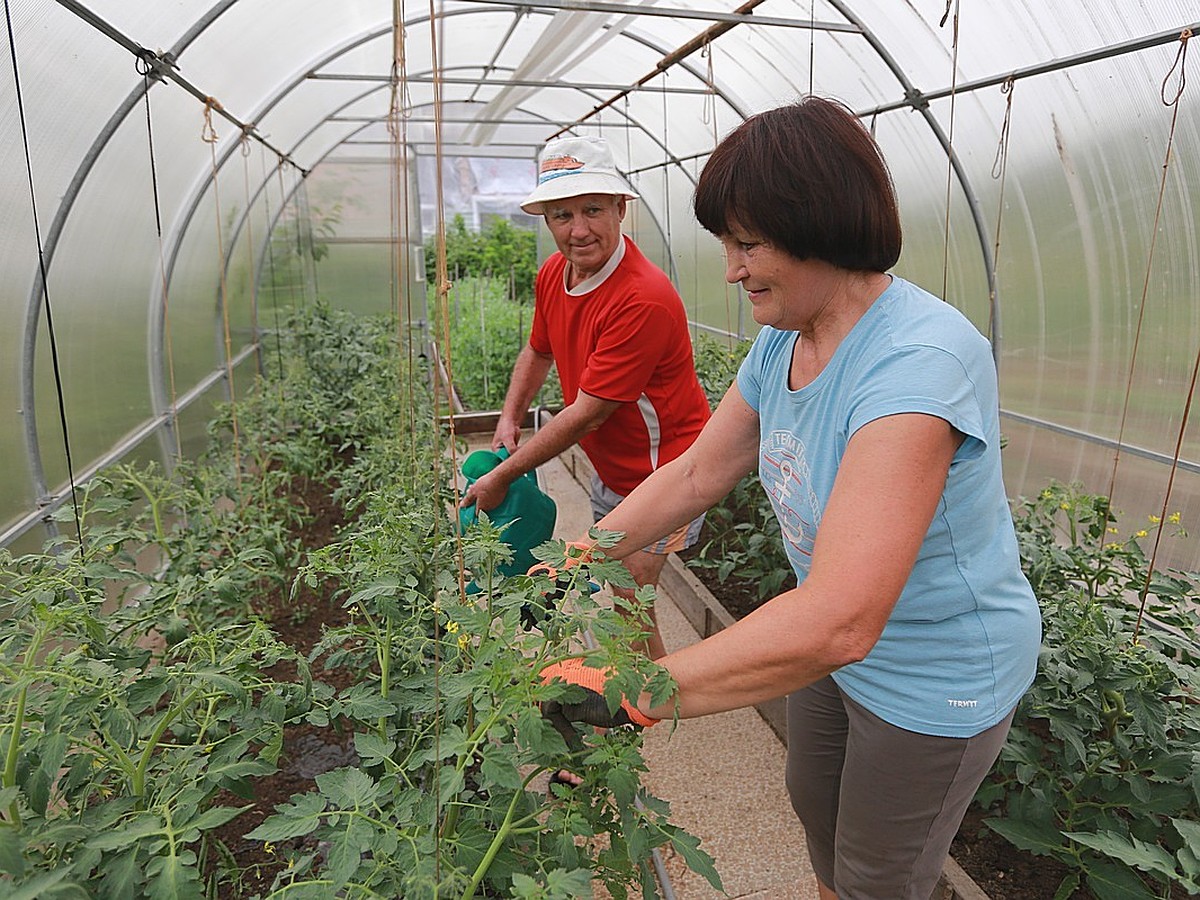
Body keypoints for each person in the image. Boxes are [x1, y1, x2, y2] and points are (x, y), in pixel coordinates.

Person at [540, 96, 1042, 899]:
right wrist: (574, 557)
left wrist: (638, 691)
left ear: (821, 227)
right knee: (816, 807)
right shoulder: (784, 340)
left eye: (748, 245)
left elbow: (843, 618)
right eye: (727, 245)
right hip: (830, 648)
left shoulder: (919, 364)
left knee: (882, 870)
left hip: (931, 672)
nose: (732, 270)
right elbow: (700, 472)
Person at [460, 134, 711, 660]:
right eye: (561, 215)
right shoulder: (554, 273)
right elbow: (537, 351)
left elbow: (587, 415)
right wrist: (508, 420)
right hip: (612, 466)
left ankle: (642, 706)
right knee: (616, 588)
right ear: (546, 220)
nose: (578, 230)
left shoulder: (641, 297)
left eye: (593, 210)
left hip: (667, 469)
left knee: (627, 590)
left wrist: (501, 475)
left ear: (621, 208)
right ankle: (634, 695)